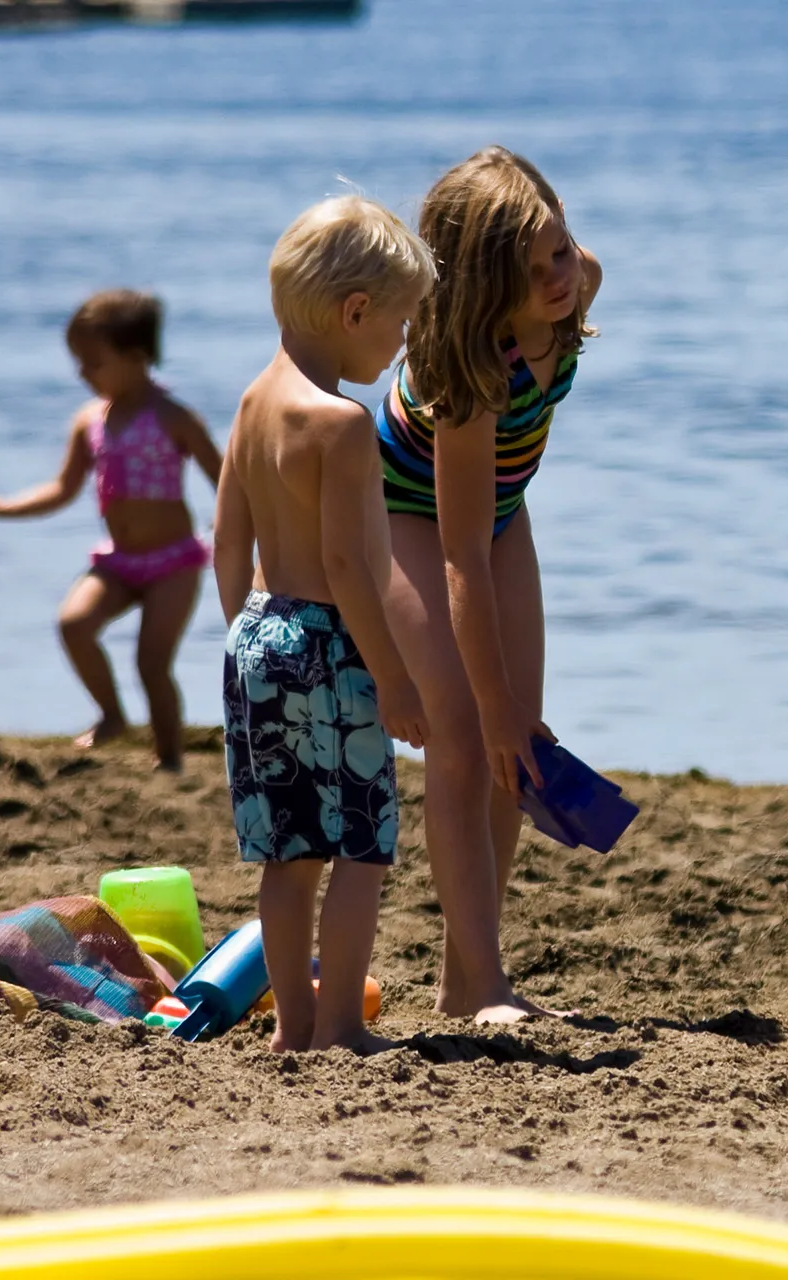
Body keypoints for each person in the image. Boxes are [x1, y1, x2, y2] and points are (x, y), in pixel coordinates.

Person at [375, 147, 602, 1022]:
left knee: (517, 749)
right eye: (533, 265)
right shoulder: (466, 376)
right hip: (406, 513)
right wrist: (492, 700)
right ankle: (487, 985)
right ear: (479, 281)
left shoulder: (577, 283)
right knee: (469, 740)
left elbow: (489, 527)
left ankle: (466, 981)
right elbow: (457, 553)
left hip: (503, 509)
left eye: (561, 247)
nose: (560, 274)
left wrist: (514, 706)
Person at [211, 195, 434, 1053]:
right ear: (355, 313)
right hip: (330, 646)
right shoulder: (342, 425)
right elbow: (348, 570)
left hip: (259, 635)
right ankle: (340, 1026)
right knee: (361, 849)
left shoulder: (250, 404)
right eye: (402, 323)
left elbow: (227, 539)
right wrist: (395, 678)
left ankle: (292, 1029)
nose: (404, 343)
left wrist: (244, 637)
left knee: (288, 854)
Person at [0, 290, 221, 772]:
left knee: (152, 664)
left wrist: (230, 524)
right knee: (74, 625)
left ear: (137, 357)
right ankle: (112, 716)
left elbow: (224, 475)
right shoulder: (90, 422)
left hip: (173, 563)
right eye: (79, 363)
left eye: (93, 362)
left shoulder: (173, 417)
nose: (83, 373)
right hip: (119, 562)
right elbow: (61, 490)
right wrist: (5, 507)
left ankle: (170, 760)